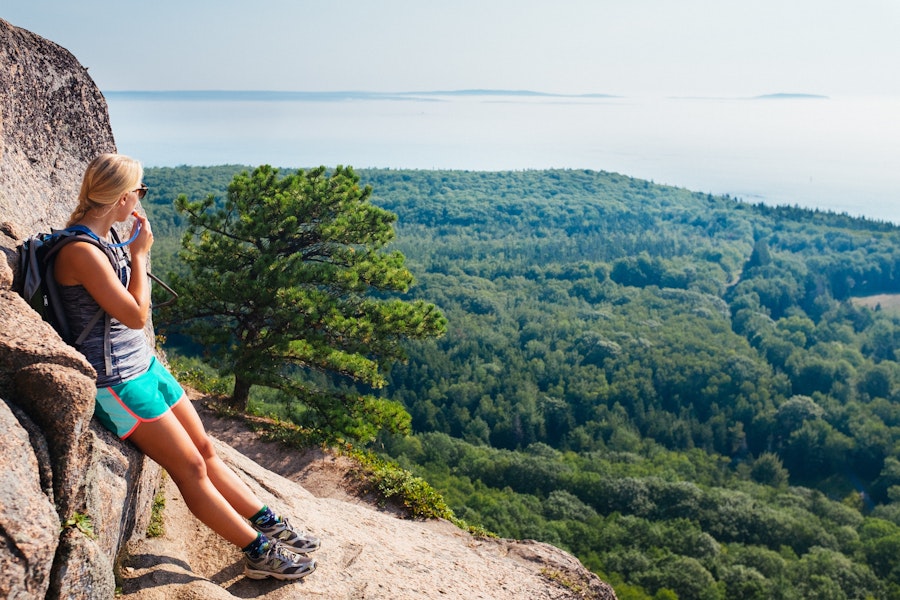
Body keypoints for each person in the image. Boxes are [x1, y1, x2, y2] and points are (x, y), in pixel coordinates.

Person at [53, 153, 319, 580]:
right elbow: (136, 316)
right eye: (139, 191)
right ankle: (258, 552)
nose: (141, 198)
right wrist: (140, 256)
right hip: (117, 382)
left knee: (206, 450)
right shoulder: (81, 251)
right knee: (190, 468)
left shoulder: (103, 240)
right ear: (124, 198)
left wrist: (132, 250)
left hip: (145, 366)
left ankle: (266, 520)